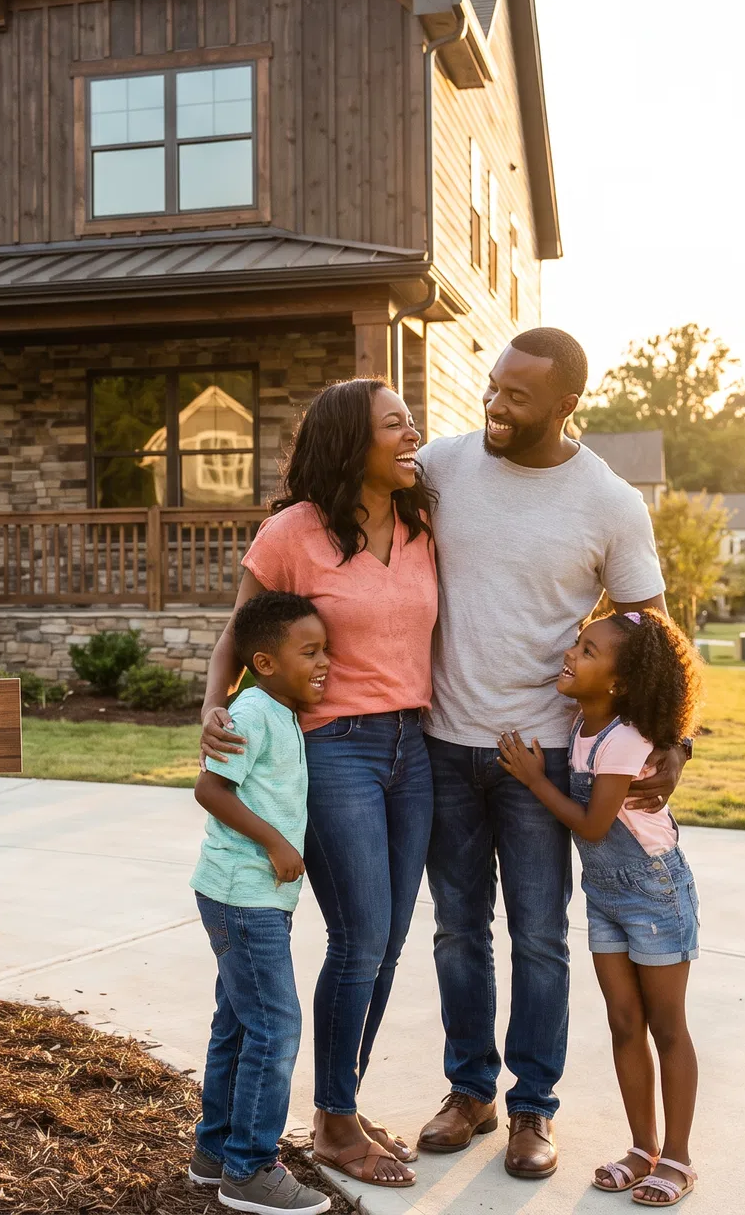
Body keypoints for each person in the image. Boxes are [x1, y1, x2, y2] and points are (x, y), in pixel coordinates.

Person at [415, 327, 687, 1179]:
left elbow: (653, 633)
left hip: (541, 762)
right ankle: (470, 1092)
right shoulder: (447, 465)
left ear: (567, 404)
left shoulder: (608, 501)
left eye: (516, 396)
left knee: (539, 935)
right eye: (492, 388)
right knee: (460, 931)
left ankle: (534, 1108)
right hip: (442, 744)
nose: (495, 405)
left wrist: (673, 737)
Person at [200, 378, 437, 1189]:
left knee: (389, 941)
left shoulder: (420, 521)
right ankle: (334, 1125)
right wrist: (212, 710)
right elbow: (240, 633)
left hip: (417, 746)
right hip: (336, 749)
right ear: (350, 441)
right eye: (395, 424)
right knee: (360, 936)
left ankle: (342, 1103)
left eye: (413, 422)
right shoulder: (291, 534)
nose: (414, 435)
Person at [497, 609, 703, 1207]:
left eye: (588, 651)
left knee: (666, 1028)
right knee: (622, 1023)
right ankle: (643, 1148)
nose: (572, 653)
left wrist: (536, 781)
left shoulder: (625, 740)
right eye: (579, 644)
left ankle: (681, 1157)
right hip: (607, 896)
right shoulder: (582, 725)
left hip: (654, 894)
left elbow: (592, 825)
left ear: (617, 683)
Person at [186, 589, 334, 1215]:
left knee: (240, 1023)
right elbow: (210, 789)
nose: (324, 662)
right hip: (244, 897)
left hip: (243, 896)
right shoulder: (251, 712)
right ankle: (249, 1169)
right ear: (267, 661)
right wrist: (276, 842)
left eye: (324, 649)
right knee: (276, 1027)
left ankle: (215, 1151)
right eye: (310, 651)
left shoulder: (277, 709)